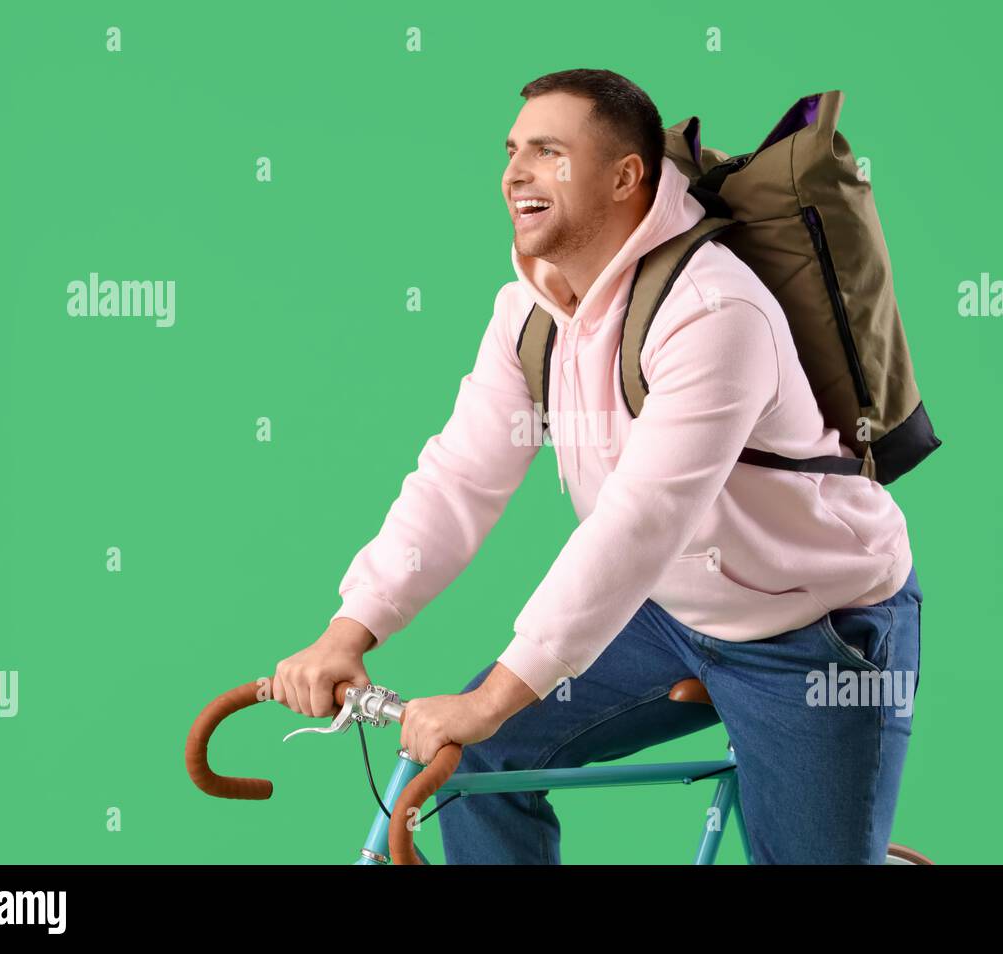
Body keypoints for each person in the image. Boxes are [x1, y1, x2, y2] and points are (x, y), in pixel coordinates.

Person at [273, 68, 923, 864]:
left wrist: (492, 698)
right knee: (480, 758)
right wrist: (352, 627)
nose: (516, 172)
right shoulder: (530, 310)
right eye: (513, 151)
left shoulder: (715, 312)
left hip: (810, 629)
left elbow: (636, 525)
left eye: (549, 153)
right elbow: (460, 477)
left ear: (625, 177)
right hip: (666, 611)